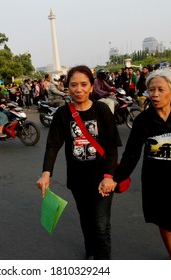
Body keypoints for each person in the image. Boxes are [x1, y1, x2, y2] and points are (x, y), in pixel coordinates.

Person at [108, 68, 171, 260]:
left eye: (161, 89)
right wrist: (115, 179)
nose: (155, 94)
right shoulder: (143, 120)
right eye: (151, 90)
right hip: (156, 184)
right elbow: (131, 154)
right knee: (165, 224)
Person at [36, 65, 121, 260]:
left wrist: (109, 176)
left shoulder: (102, 110)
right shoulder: (62, 114)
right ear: (68, 87)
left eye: (84, 84)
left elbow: (111, 147)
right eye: (74, 85)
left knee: (101, 223)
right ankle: (90, 251)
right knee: (86, 218)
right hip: (78, 180)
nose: (79, 89)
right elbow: (53, 145)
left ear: (92, 87)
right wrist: (46, 173)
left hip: (102, 179)